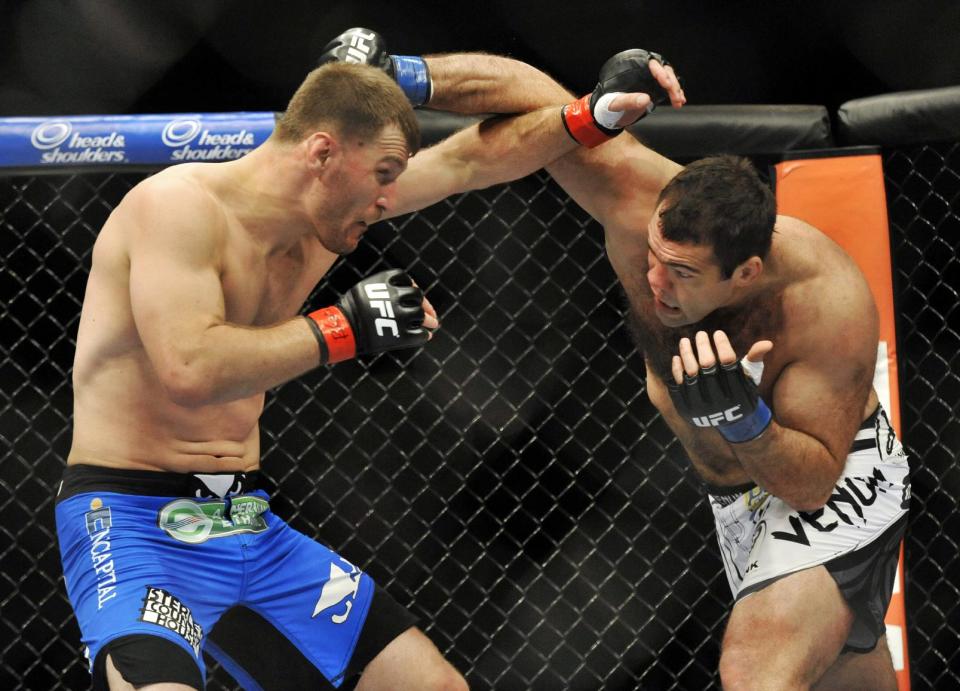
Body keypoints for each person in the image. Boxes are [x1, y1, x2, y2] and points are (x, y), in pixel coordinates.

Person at [54, 54, 673, 689]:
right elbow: (192, 367)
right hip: (132, 522)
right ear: (322, 153)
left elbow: (468, 161)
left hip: (245, 522)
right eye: (380, 174)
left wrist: (591, 116)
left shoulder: (320, 222)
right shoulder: (176, 208)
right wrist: (342, 329)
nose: (387, 197)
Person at [329, 28, 910, 691]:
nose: (654, 281)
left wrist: (747, 420)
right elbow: (529, 93)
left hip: (829, 481)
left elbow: (810, 481)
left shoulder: (821, 303)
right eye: (653, 257)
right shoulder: (636, 199)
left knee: (755, 668)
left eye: (682, 273)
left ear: (745, 272)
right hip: (733, 494)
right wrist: (399, 73)